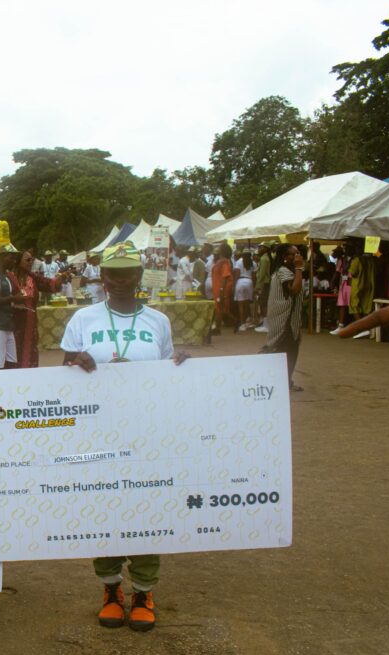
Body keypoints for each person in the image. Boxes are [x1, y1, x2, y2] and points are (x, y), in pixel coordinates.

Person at [60, 241, 188, 632]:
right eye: (113, 273)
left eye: (128, 272)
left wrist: (182, 365)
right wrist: (74, 361)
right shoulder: (83, 318)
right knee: (105, 509)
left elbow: (168, 373)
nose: (119, 280)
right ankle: (111, 589)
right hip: (97, 434)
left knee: (147, 508)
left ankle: (144, 592)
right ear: (103, 277)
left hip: (147, 433)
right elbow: (63, 370)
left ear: (139, 275)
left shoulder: (158, 322)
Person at [261, 244, 305, 391]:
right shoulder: (283, 271)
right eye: (293, 254)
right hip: (285, 319)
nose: (297, 256)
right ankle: (283, 383)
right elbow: (294, 289)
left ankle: (284, 381)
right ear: (285, 257)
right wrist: (299, 268)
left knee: (283, 348)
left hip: (287, 318)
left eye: (298, 253)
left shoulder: (283, 271)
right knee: (286, 349)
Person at [13, 249, 56, 368]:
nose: (31, 262)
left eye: (32, 259)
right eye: (27, 260)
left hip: (30, 323)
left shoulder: (32, 277)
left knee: (30, 351)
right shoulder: (9, 278)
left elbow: (48, 284)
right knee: (14, 352)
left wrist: (60, 280)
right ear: (18, 261)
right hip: (13, 323)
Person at [210, 243, 236, 334]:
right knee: (222, 309)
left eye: (220, 248)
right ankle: (236, 321)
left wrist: (221, 290)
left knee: (219, 308)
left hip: (222, 288)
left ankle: (217, 328)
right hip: (217, 287)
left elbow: (225, 276)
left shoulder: (225, 262)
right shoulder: (220, 261)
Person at [234, 251, 256, 331]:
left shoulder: (238, 262)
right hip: (249, 282)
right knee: (247, 304)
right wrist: (254, 287)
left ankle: (242, 323)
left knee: (241, 305)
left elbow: (237, 275)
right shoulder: (253, 263)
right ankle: (248, 321)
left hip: (240, 282)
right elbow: (254, 276)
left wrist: (234, 285)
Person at [254, 244, 272, 332]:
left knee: (263, 303)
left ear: (266, 249)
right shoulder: (267, 258)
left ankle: (266, 325)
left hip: (264, 283)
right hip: (266, 283)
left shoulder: (264, 259)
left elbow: (262, 274)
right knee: (264, 303)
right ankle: (265, 323)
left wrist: (257, 286)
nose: (259, 249)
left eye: (261, 247)